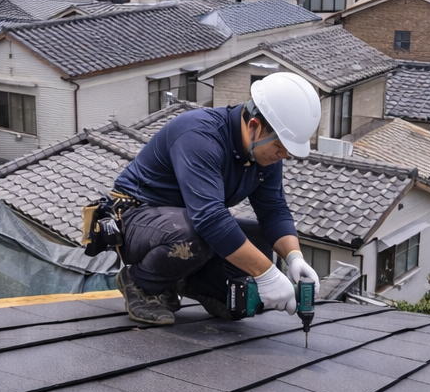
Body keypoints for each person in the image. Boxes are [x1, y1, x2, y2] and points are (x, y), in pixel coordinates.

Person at [111, 73, 322, 326]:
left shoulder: (263, 155)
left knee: (259, 243)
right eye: (281, 145)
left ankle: (197, 285)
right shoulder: (200, 136)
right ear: (254, 126)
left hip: (185, 222)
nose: (285, 155)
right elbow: (210, 219)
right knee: (199, 233)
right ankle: (139, 282)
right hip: (138, 218)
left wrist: (294, 258)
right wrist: (267, 274)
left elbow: (274, 211)